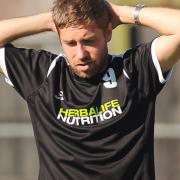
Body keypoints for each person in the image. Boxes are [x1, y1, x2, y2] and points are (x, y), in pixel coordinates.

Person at [0, 0, 180, 179]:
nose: (81, 54)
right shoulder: (42, 75)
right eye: (70, 43)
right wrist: (47, 21)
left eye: (89, 41)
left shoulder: (135, 71)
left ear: (108, 33)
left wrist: (121, 13)